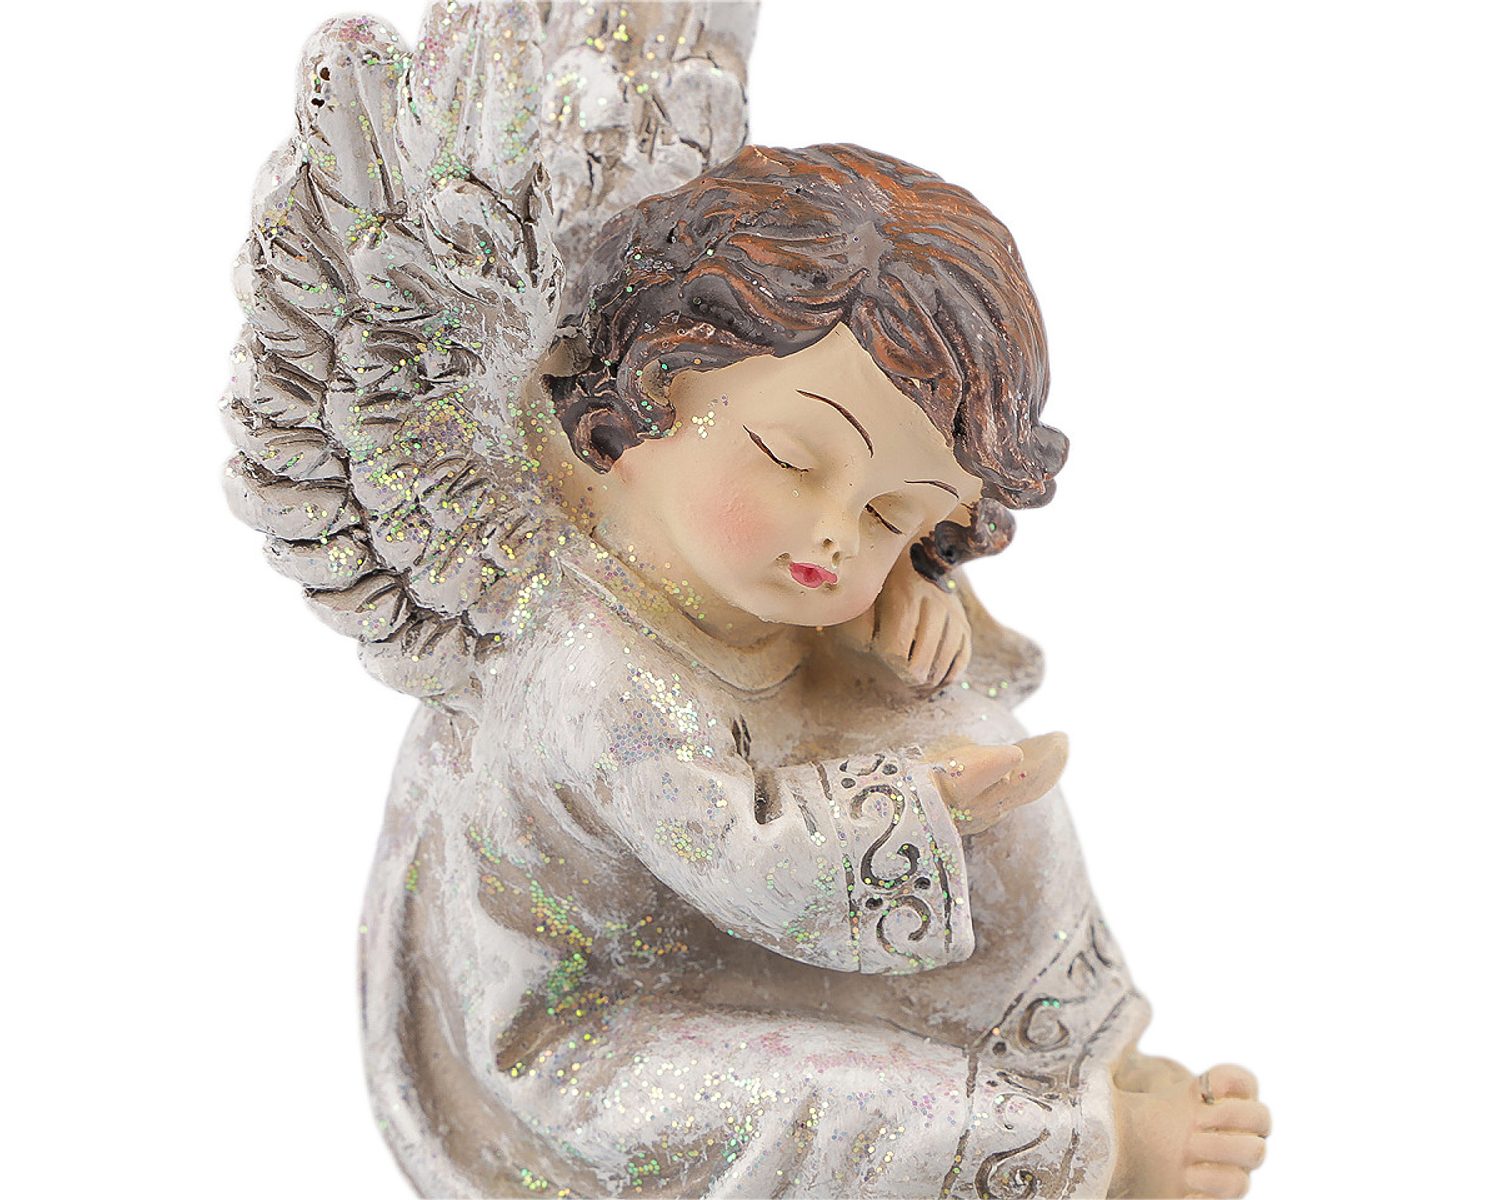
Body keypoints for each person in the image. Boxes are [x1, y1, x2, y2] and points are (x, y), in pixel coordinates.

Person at [355, 143, 1270, 1197]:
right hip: (584, 1032)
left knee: (970, 730)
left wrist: (906, 607)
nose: (836, 535)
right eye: (793, 460)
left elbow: (883, 695)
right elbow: (736, 860)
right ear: (655, 387)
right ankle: (1085, 1156)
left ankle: (1069, 1055)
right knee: (842, 1096)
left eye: (891, 514)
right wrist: (918, 805)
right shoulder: (585, 664)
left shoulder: (762, 577)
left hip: (729, 940)